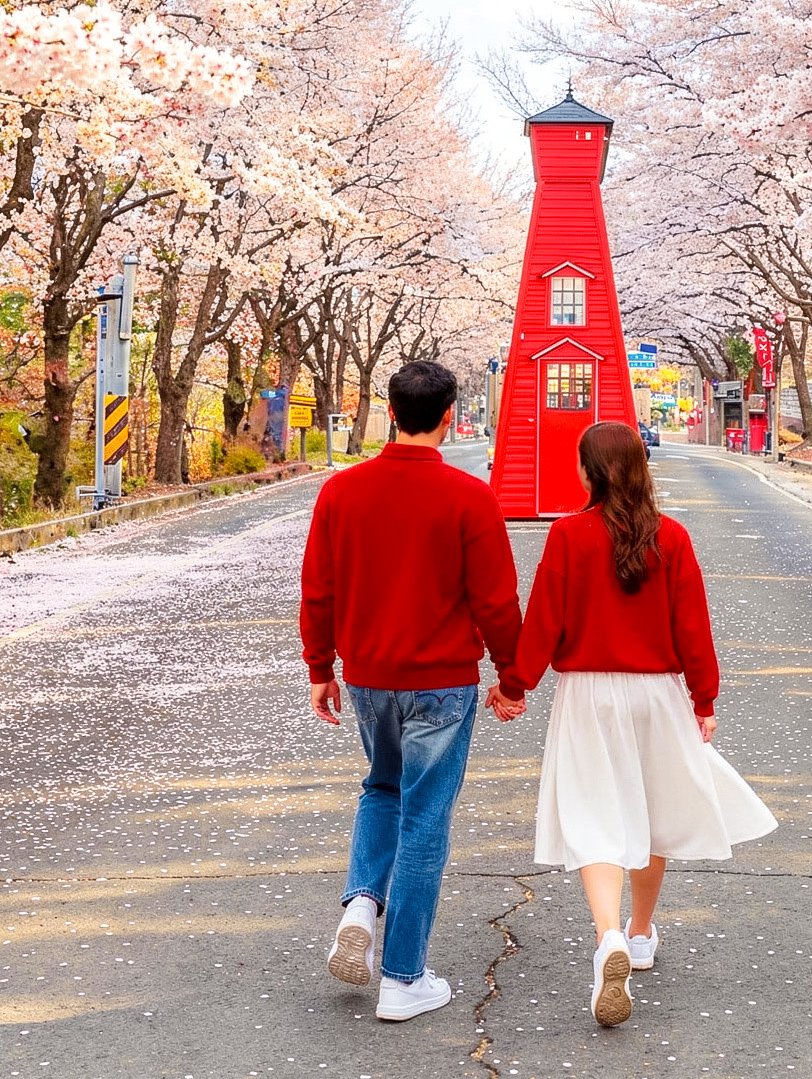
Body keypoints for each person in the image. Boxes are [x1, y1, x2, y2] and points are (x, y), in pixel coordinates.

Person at [493, 421, 775, 1027]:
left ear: (588, 471)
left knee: (597, 812)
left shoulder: (568, 536)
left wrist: (515, 686)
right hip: (658, 693)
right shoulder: (670, 537)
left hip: (589, 694)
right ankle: (640, 932)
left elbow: (544, 620)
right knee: (648, 812)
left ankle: (607, 939)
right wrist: (704, 700)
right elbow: (692, 627)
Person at [298, 360, 526, 1022]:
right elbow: (495, 601)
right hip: (443, 684)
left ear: (391, 413)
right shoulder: (469, 497)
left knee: (382, 787)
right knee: (425, 817)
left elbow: (319, 590)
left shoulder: (342, 492)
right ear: (451, 416)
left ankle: (363, 904)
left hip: (369, 676)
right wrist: (512, 679)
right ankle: (402, 977)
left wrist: (320, 669)